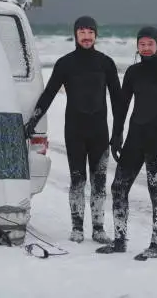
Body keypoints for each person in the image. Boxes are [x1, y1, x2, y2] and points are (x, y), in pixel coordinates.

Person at [24, 15, 121, 244]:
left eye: (90, 32)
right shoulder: (65, 64)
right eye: (82, 32)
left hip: (100, 133)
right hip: (75, 132)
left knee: (99, 182)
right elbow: (48, 94)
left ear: (96, 35)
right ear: (76, 35)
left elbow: (118, 101)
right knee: (77, 180)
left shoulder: (106, 63)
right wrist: (32, 122)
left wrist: (118, 134)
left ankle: (98, 228)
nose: (86, 36)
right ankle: (77, 228)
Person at [96, 26, 157, 260]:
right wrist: (116, 135)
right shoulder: (133, 73)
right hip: (135, 139)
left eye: (150, 44)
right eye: (142, 44)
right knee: (118, 188)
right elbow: (123, 107)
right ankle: (120, 240)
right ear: (137, 45)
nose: (146, 48)